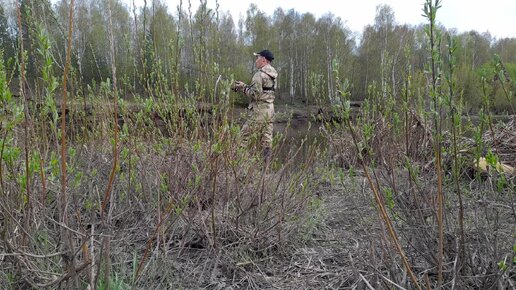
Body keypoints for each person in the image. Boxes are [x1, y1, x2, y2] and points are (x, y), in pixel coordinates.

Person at [232, 49, 278, 164]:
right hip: (270, 111)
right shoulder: (273, 74)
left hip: (259, 112)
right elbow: (264, 92)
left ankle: (240, 166)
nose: (256, 60)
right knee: (267, 141)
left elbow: (255, 95)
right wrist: (247, 86)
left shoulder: (259, 74)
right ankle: (265, 170)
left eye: (257, 58)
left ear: (263, 59)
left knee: (242, 138)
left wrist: (243, 88)